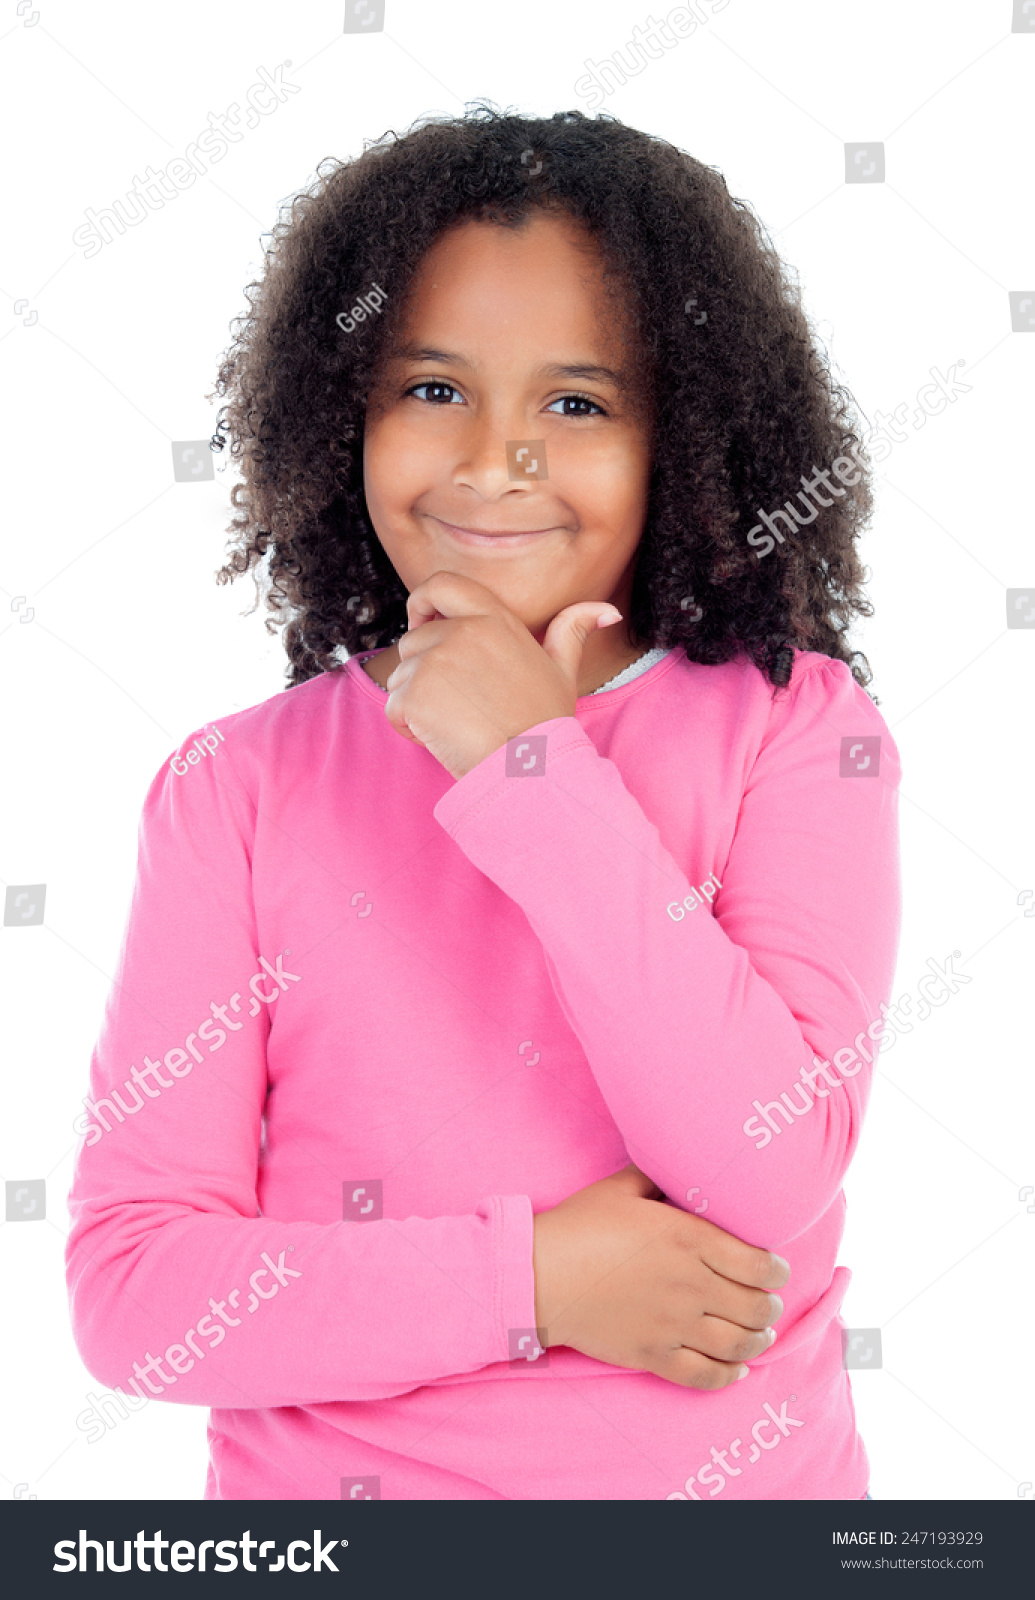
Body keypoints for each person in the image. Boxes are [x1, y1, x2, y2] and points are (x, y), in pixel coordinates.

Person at [66, 106, 900, 1500]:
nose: (493, 463)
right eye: (433, 390)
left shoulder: (798, 733)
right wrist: (532, 1279)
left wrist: (532, 770)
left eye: (576, 404)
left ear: (682, 438)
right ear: (344, 413)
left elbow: (767, 1180)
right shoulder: (240, 789)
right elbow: (138, 1296)